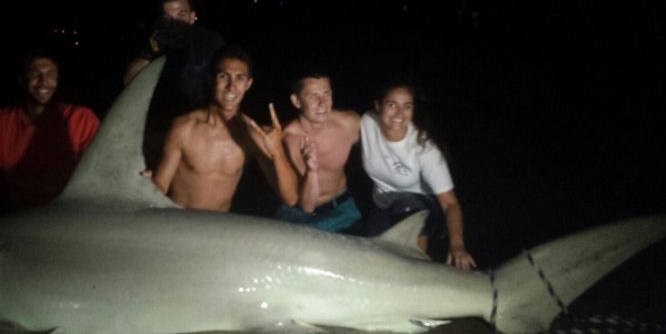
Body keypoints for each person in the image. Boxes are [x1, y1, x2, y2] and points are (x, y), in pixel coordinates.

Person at [0, 53, 100, 232]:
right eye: (35, 74)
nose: (44, 81)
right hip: (21, 219)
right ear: (21, 80)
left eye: (51, 74)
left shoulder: (81, 118)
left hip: (69, 216)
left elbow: (98, 174)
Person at [152, 46, 297, 212]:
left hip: (218, 224)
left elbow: (290, 198)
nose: (231, 86)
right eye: (223, 76)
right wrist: (144, 188)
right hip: (179, 220)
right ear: (210, 79)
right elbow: (160, 185)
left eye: (240, 78)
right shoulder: (184, 127)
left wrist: (278, 152)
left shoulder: (251, 133)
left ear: (248, 84)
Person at [360, 81, 477, 270]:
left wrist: (457, 245)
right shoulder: (367, 123)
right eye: (392, 105)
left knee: (406, 205)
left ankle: (418, 264)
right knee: (372, 259)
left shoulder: (424, 149)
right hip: (382, 204)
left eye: (407, 106)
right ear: (378, 106)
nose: (399, 113)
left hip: (421, 208)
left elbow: (450, 203)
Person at [126, 0, 226, 172]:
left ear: (193, 17)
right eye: (168, 18)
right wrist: (150, 51)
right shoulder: (156, 40)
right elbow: (129, 81)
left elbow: (225, 81)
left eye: (181, 15)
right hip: (159, 131)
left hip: (197, 130)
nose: (175, 22)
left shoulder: (209, 41)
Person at [276, 73, 362, 233]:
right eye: (313, 95)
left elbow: (382, 144)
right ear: (296, 101)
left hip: (342, 208)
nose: (322, 103)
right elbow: (307, 206)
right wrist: (311, 170)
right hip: (298, 213)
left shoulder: (349, 123)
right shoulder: (288, 138)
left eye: (326, 94)